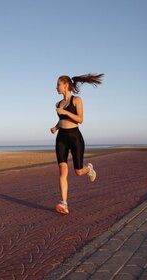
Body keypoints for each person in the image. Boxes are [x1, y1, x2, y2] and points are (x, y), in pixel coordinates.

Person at [50, 73, 104, 215]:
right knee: (62, 171)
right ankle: (64, 203)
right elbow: (62, 119)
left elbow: (80, 119)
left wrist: (65, 113)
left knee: (78, 171)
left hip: (75, 138)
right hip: (61, 138)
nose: (56, 87)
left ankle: (89, 168)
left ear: (65, 85)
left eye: (58, 84)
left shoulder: (77, 100)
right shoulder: (58, 104)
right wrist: (56, 127)